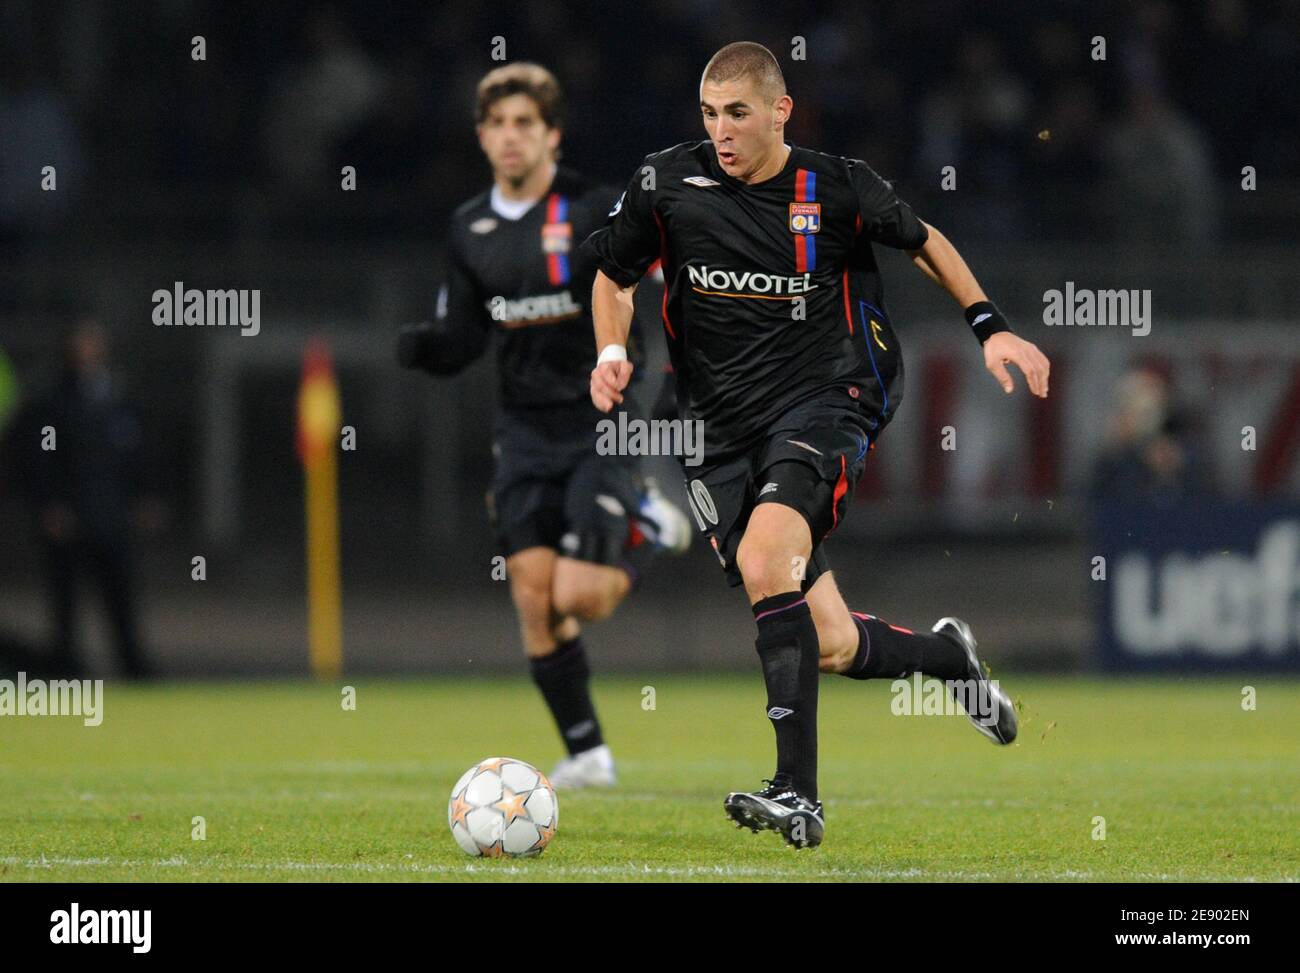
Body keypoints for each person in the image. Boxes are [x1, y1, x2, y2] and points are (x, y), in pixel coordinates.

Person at [584, 42, 1051, 847]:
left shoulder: (836, 186)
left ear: (779, 110)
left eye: (737, 112)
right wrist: (611, 350)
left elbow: (924, 240)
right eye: (709, 113)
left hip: (826, 400)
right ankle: (948, 660)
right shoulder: (666, 183)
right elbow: (613, 274)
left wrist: (990, 327)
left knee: (769, 561)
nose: (721, 131)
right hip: (713, 427)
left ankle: (797, 793)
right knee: (829, 641)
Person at [397, 62, 689, 790]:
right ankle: (588, 752)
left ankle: (648, 524)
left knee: (580, 596)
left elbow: (662, 286)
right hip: (524, 427)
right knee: (533, 593)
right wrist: (428, 347)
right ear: (480, 137)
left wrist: (673, 382)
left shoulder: (595, 209)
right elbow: (465, 333)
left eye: (524, 122)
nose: (509, 137)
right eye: (495, 124)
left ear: (552, 133)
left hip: (602, 414)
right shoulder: (469, 227)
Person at [9, 319, 152, 678]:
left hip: (111, 519)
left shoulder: (118, 398)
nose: (89, 349)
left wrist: (145, 496)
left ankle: (134, 671)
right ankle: (65, 674)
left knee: (121, 602)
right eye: (82, 341)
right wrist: (48, 505)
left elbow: (139, 455)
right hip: (70, 521)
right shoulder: (50, 402)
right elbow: (36, 459)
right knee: (65, 607)